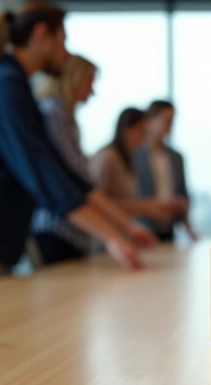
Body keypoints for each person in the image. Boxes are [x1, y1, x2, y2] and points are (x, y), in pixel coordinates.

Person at [0, 1, 152, 292]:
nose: (66, 54)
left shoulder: (12, 86)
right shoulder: (3, 87)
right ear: (42, 34)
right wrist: (112, 237)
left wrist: (125, 227)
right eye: (63, 41)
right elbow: (45, 178)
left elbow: (66, 176)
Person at [30, 55, 153, 266]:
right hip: (57, 233)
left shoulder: (64, 118)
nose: (92, 91)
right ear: (73, 79)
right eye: (89, 82)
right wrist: (119, 231)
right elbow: (77, 185)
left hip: (70, 235)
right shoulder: (54, 114)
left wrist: (124, 228)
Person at [93, 108, 188, 227]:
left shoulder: (128, 159)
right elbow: (93, 202)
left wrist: (148, 207)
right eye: (141, 131)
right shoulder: (108, 157)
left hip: (120, 233)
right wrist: (145, 207)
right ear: (127, 130)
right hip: (104, 236)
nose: (144, 137)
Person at [134, 100, 199, 243]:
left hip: (169, 232)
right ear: (150, 120)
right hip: (140, 231)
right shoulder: (134, 155)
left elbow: (183, 193)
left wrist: (190, 231)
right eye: (167, 120)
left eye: (173, 121)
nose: (170, 125)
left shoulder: (177, 157)